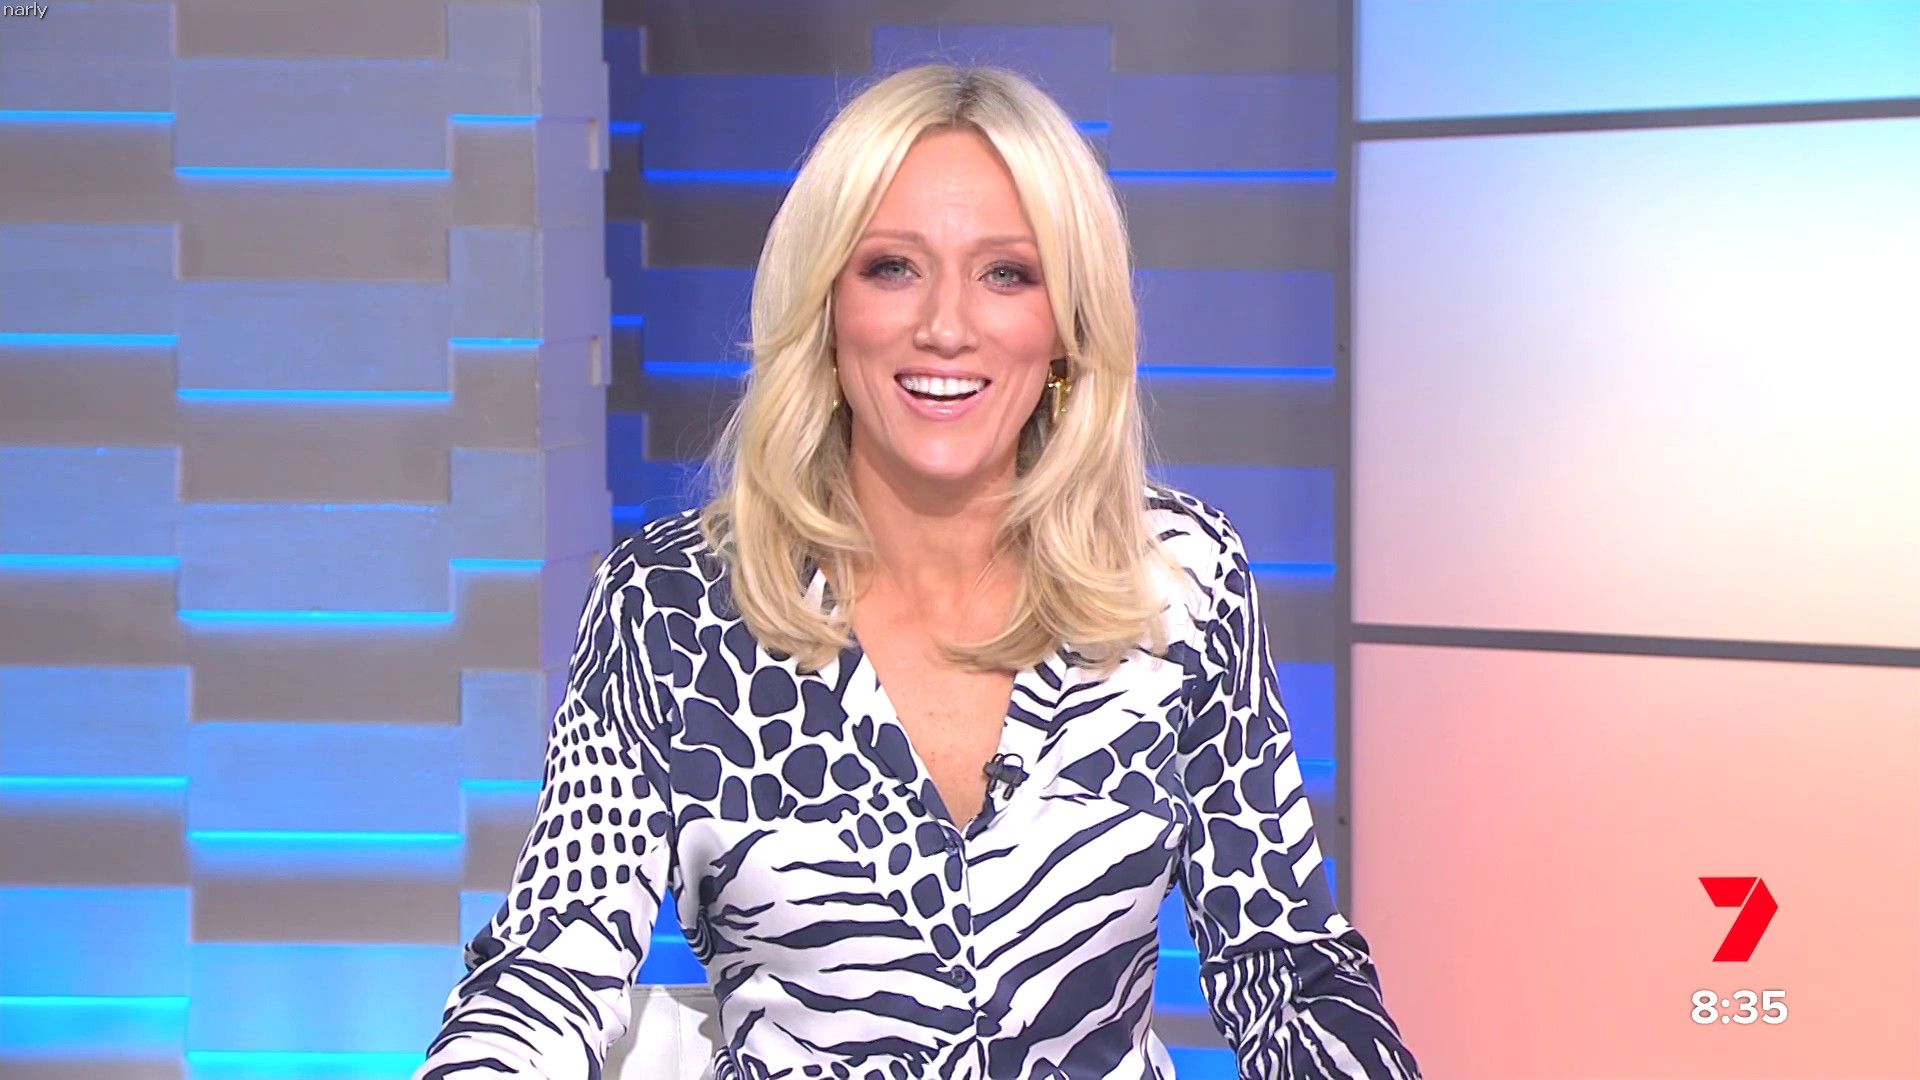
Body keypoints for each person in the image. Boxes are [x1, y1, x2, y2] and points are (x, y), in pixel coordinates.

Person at [417, 64, 1420, 1079]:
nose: (946, 325)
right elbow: (546, 967)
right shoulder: (668, 607)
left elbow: (1287, 965)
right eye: (893, 268)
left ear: (1067, 324)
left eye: (1007, 274)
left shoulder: (1178, 582)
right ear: (826, 305)